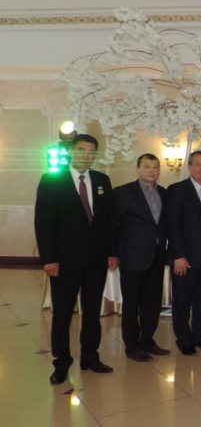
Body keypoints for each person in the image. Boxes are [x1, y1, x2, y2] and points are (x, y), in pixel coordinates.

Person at [35, 134, 118, 385]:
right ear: (71, 151)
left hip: (96, 261)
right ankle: (61, 362)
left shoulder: (102, 180)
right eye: (82, 150)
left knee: (92, 313)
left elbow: (109, 221)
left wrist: (112, 252)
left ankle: (90, 357)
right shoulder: (51, 180)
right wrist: (49, 258)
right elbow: (44, 222)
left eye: (92, 152)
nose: (87, 156)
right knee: (62, 314)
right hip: (64, 262)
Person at [113, 153, 170, 362]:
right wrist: (113, 253)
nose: (151, 171)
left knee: (152, 302)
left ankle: (147, 339)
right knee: (132, 303)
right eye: (146, 166)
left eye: (155, 167)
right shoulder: (123, 193)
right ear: (138, 169)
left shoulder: (164, 193)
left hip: (157, 256)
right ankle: (132, 345)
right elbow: (113, 226)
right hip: (132, 256)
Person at [166, 150, 201, 356]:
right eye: (198, 164)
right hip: (186, 257)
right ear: (189, 167)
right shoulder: (177, 190)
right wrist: (178, 256)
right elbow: (172, 226)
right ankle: (184, 339)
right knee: (182, 300)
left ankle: (199, 336)